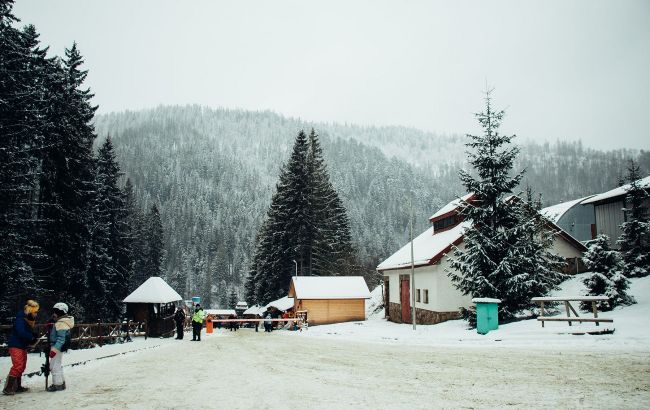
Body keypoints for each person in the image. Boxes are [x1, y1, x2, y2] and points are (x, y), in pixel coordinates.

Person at [3, 300, 39, 395]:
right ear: (30, 311)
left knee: (22, 366)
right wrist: (31, 337)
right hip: (16, 345)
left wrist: (32, 335)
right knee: (18, 366)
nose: (36, 314)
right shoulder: (20, 319)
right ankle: (8, 388)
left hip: (22, 345)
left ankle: (17, 386)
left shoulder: (26, 319)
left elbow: (25, 331)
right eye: (35, 312)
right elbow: (21, 332)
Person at [47, 302, 74, 392]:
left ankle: (57, 384)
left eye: (56, 312)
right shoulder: (61, 322)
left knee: (54, 366)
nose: (54, 314)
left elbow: (61, 339)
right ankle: (61, 383)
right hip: (57, 347)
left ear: (60, 312)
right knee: (56, 364)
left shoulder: (61, 323)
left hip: (57, 347)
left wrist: (54, 350)